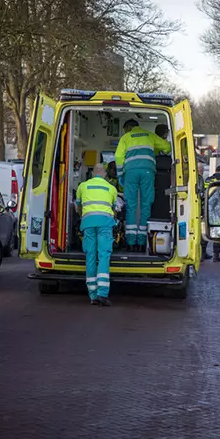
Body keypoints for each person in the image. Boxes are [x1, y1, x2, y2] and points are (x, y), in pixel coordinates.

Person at [116, 119, 171, 252]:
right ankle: (142, 243)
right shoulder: (149, 135)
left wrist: (119, 175)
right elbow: (167, 147)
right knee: (146, 204)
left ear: (128, 128)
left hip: (131, 173)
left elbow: (118, 157)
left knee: (131, 206)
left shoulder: (126, 137)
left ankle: (130, 243)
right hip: (147, 172)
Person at [75, 163, 118, 306]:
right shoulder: (111, 188)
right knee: (104, 255)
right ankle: (102, 294)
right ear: (104, 174)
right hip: (105, 224)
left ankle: (93, 295)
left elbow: (78, 206)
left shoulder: (83, 186)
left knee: (91, 256)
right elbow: (114, 207)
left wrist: (84, 216)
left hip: (88, 223)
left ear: (93, 173)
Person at [203, 165, 220, 261]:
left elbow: (204, 193)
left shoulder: (208, 180)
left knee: (205, 232)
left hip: (208, 209)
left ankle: (203, 253)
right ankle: (216, 255)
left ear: (216, 170)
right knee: (218, 233)